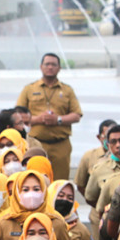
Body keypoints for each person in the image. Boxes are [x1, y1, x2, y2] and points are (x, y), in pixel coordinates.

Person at [16, 53, 82, 181]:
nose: (50, 67)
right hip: (35, 143)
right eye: (47, 64)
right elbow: (17, 115)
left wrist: (58, 120)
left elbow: (77, 115)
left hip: (60, 145)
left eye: (54, 64)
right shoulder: (29, 89)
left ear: (59, 68)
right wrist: (39, 119)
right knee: (35, 179)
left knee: (59, 182)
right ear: (41, 67)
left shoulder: (67, 90)